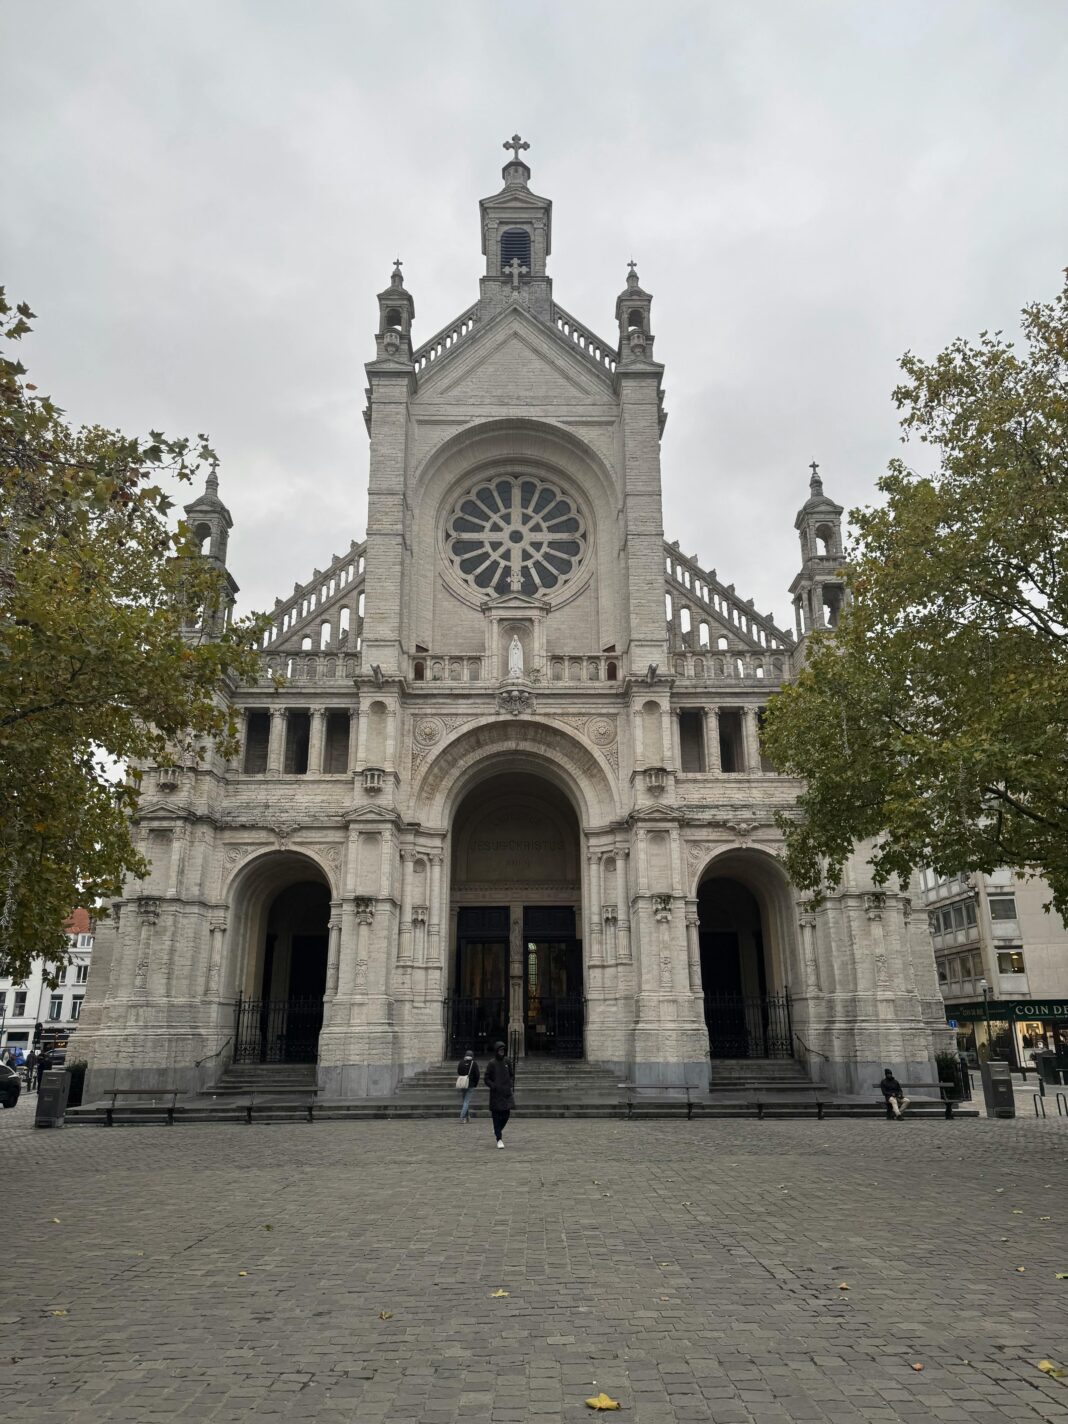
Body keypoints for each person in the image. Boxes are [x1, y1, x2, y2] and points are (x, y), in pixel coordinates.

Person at [484, 1041, 515, 1149]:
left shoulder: (507, 1061)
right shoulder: (492, 1063)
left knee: (506, 1114)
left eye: (503, 1050)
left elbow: (511, 1074)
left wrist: (510, 1082)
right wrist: (494, 1086)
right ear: (496, 1051)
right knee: (496, 1117)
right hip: (496, 1094)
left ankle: (498, 1129)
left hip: (506, 1093)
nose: (501, 1052)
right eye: (500, 1050)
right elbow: (486, 1078)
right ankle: (499, 1138)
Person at [456, 1048, 480, 1124]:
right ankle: (462, 1117)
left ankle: (467, 1117)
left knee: (465, 1101)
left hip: (463, 1083)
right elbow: (477, 1075)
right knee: (466, 1101)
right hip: (471, 1084)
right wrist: (475, 1083)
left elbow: (458, 1072)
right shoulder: (474, 1063)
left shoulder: (461, 1062)